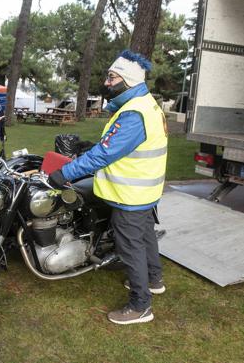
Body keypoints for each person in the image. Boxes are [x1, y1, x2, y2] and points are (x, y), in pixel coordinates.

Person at [48, 50, 168, 325]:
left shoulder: (133, 114)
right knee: (146, 235)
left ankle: (141, 305)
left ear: (126, 80)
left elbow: (104, 156)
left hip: (130, 194)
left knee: (130, 246)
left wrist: (64, 173)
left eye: (112, 77)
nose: (107, 81)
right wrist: (96, 145)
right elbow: (120, 146)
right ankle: (154, 278)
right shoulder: (146, 104)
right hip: (146, 190)